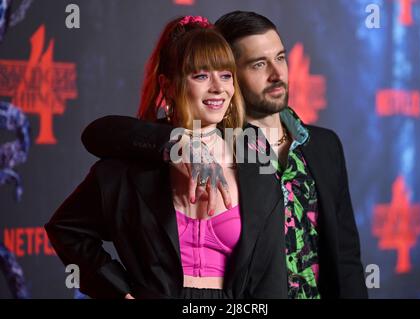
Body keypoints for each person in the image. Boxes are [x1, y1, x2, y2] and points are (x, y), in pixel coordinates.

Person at [81, 11, 368, 299]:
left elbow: (346, 258)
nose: (276, 74)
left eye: (281, 58)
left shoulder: (324, 146)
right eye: (258, 64)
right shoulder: (223, 145)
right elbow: (101, 133)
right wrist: (176, 143)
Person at [45, 16, 288, 299]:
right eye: (200, 75)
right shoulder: (129, 165)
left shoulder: (253, 157)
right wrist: (118, 292)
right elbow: (66, 229)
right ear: (168, 85)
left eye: (225, 75)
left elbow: (271, 276)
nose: (218, 88)